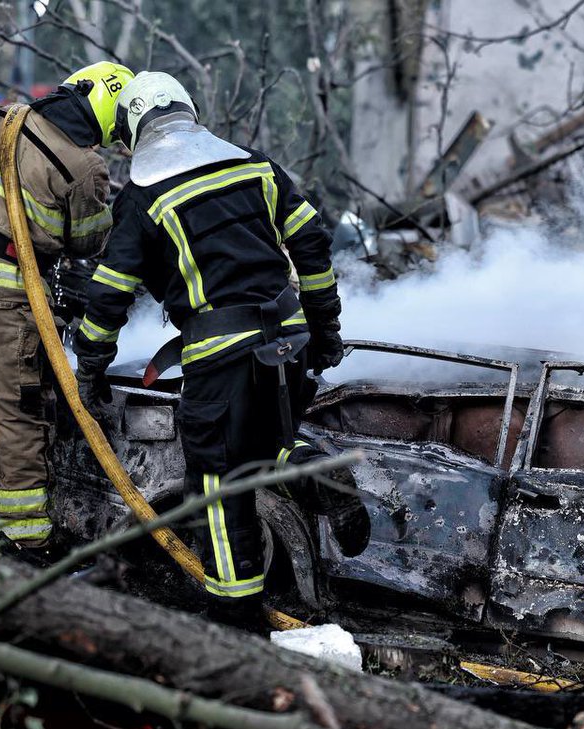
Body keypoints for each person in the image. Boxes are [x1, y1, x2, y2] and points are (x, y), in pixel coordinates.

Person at [73, 71, 370, 629]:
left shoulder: (145, 198)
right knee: (263, 445)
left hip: (222, 355)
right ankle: (312, 466)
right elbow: (311, 241)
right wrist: (325, 331)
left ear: (135, 129)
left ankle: (234, 615)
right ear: (189, 108)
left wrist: (89, 368)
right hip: (289, 341)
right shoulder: (256, 165)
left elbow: (108, 294)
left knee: (216, 482)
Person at [0, 62, 134, 549]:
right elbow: (85, 243)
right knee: (19, 412)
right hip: (8, 296)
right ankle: (25, 537)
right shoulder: (84, 167)